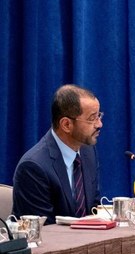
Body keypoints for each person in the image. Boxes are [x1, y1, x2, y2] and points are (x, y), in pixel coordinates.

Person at [13, 84, 103, 224]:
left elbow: (93, 208)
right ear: (66, 124)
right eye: (92, 118)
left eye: (99, 116)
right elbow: (44, 231)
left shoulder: (88, 152)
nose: (99, 124)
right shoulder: (33, 167)